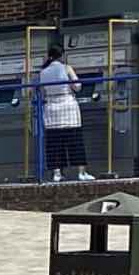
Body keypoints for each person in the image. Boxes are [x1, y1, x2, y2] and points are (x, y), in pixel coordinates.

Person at [40, 45, 92, 182]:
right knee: (75, 142)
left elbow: (42, 92)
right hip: (68, 108)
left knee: (54, 143)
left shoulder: (43, 72)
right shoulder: (66, 68)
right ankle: (81, 173)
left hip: (51, 109)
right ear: (62, 55)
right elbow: (78, 86)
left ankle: (57, 173)